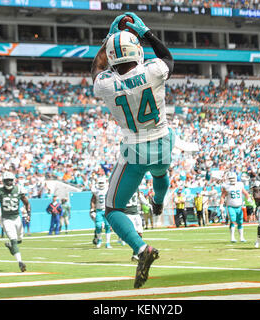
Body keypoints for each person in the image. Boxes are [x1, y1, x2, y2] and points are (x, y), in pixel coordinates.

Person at [92, 12, 175, 288]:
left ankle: (141, 249)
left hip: (134, 148)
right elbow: (168, 59)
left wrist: (106, 42)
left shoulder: (104, 84)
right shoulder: (152, 70)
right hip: (162, 139)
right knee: (161, 173)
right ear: (137, 50)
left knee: (113, 208)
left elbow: (95, 70)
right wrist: (147, 32)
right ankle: (159, 202)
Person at [0, 172, 31, 272]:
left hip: (17, 218)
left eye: (10, 180)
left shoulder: (19, 189)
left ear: (13, 181)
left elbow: (27, 203)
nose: (8, 182)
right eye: (7, 180)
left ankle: (12, 248)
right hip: (6, 219)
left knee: (19, 239)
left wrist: (29, 214)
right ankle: (20, 262)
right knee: (13, 239)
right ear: (3, 181)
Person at [219, 172, 250, 243]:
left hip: (239, 206)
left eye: (233, 178)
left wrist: (248, 198)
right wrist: (221, 205)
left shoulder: (240, 184)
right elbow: (223, 196)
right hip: (231, 206)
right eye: (231, 178)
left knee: (240, 222)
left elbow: (245, 192)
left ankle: (241, 237)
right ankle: (232, 237)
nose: (232, 180)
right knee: (232, 221)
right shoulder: (226, 186)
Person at [91, 177, 112, 248]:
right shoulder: (95, 190)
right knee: (98, 226)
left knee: (107, 226)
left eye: (102, 183)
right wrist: (92, 209)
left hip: (107, 210)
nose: (101, 184)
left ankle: (108, 243)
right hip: (99, 210)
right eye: (100, 183)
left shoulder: (108, 189)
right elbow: (93, 199)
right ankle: (99, 240)